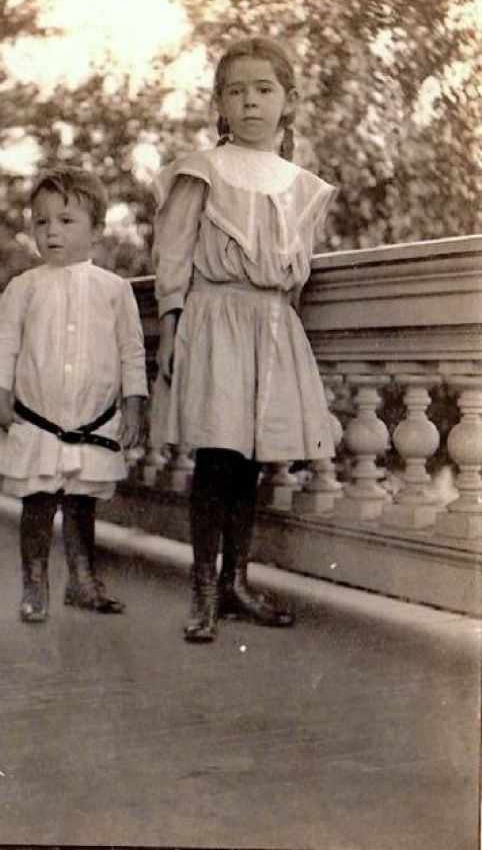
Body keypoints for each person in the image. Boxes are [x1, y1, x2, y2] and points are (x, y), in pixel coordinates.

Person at [152, 37, 338, 643]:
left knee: (253, 460)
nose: (250, 102)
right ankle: (203, 591)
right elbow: (174, 251)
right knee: (216, 457)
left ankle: (237, 581)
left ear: (287, 102)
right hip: (215, 322)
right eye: (236, 91)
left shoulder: (300, 186)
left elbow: (297, 274)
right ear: (219, 104)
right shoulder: (202, 169)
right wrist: (172, 326)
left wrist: (285, 341)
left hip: (271, 326)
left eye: (264, 90)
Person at [0, 166, 147, 623]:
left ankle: (82, 579)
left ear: (95, 229)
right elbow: (3, 342)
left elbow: (132, 352)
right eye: (41, 221)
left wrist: (135, 402)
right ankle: (34, 582)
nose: (51, 231)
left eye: (66, 220)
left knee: (81, 503)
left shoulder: (115, 291)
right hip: (39, 420)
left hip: (92, 423)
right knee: (37, 503)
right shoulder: (24, 288)